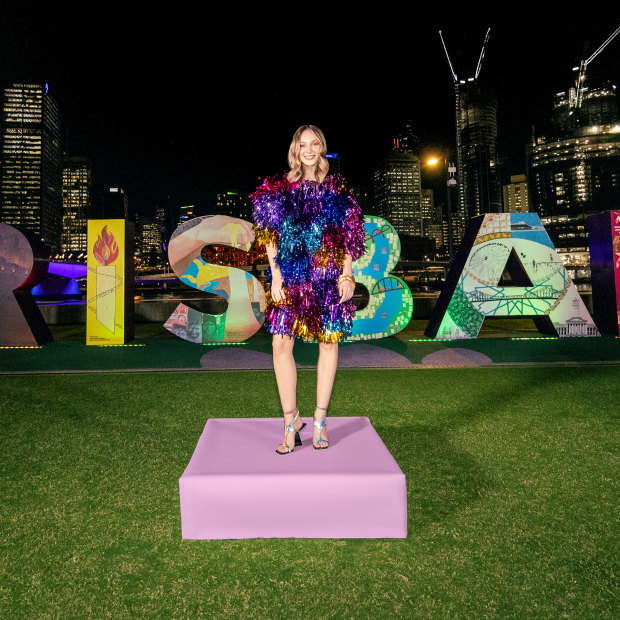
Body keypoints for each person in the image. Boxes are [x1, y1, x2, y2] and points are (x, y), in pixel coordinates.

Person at [250, 125, 366, 454]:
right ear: (295, 149)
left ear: (322, 148)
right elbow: (270, 235)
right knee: (279, 345)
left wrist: (347, 275)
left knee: (328, 346)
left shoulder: (336, 190)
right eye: (304, 144)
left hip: (328, 276)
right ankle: (290, 421)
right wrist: (275, 278)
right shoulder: (278, 187)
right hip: (291, 277)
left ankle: (319, 420)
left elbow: (349, 236)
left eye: (316, 143)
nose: (310, 149)